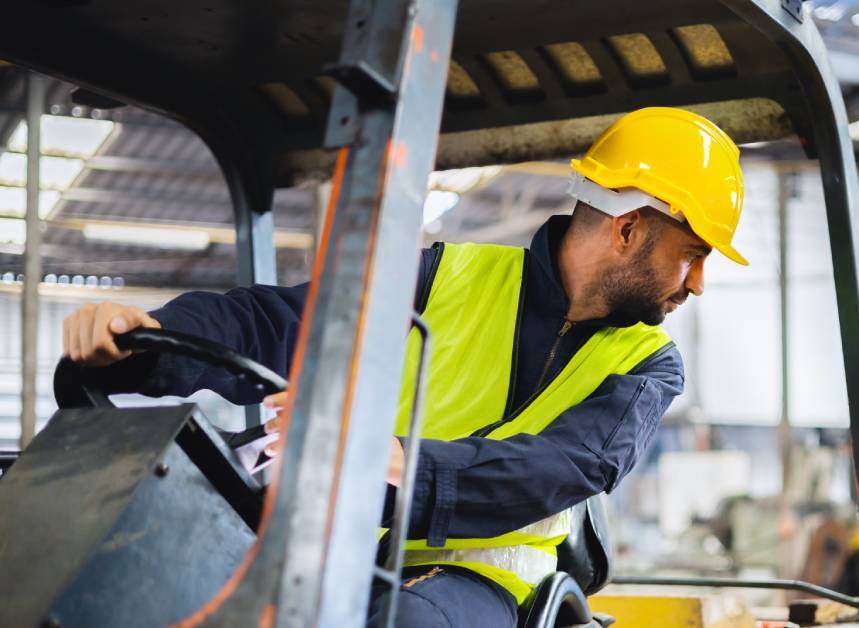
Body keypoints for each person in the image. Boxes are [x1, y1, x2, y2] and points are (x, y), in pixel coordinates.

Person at [59, 107, 748, 627]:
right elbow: (283, 323)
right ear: (628, 229)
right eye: (691, 254)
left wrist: (406, 467)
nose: (696, 283)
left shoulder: (650, 365)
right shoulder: (445, 275)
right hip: (342, 548)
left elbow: (560, 468)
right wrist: (152, 334)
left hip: (483, 585)